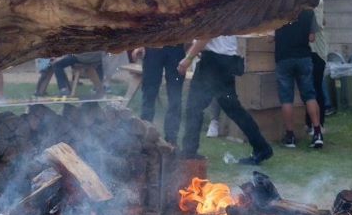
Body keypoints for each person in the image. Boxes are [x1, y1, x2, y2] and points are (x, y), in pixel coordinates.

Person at [178, 36, 273, 165]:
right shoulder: (226, 15)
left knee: (194, 107)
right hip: (225, 61)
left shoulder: (213, 14)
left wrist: (188, 58)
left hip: (213, 62)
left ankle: (189, 152)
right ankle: (262, 147)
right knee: (234, 109)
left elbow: (206, 36)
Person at [274, 9, 324, 149]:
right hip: (303, 57)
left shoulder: (279, 10)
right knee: (309, 95)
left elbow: (270, 34)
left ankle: (290, 137)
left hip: (283, 57)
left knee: (286, 98)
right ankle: (317, 133)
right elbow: (312, 38)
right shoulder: (308, 11)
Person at [131, 45, 185, 146]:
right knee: (148, 94)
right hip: (152, 47)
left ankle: (171, 139)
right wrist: (141, 45)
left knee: (175, 96)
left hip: (176, 46)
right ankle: (145, 134)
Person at [305, 0, 328, 134]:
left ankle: (319, 124)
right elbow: (324, 21)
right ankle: (310, 123)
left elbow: (319, 24)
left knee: (315, 87)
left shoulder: (315, 1)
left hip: (317, 51)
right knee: (309, 88)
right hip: (310, 50)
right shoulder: (314, 0)